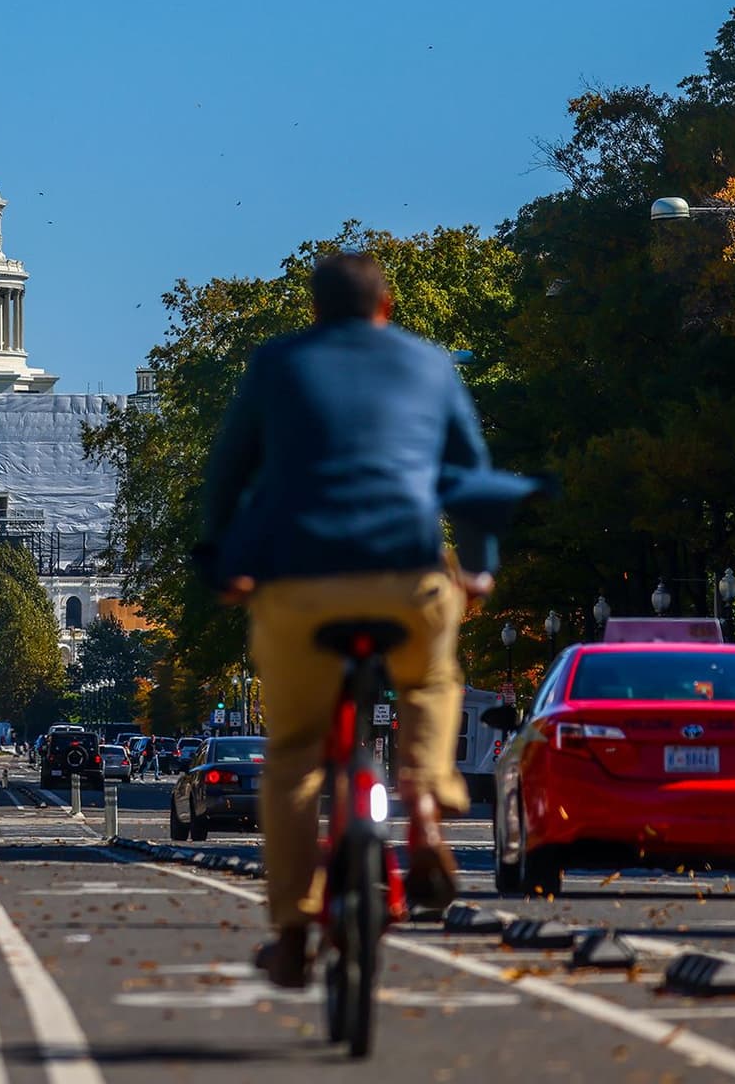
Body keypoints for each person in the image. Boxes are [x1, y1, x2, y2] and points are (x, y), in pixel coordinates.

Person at [200, 251, 499, 990]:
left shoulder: (276, 364)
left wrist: (219, 560)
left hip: (300, 584)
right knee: (431, 683)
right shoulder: (431, 365)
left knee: (297, 753)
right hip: (409, 576)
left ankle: (296, 929)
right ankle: (425, 802)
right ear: (386, 307)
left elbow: (229, 471)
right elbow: (473, 476)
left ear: (314, 312)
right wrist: (482, 567)